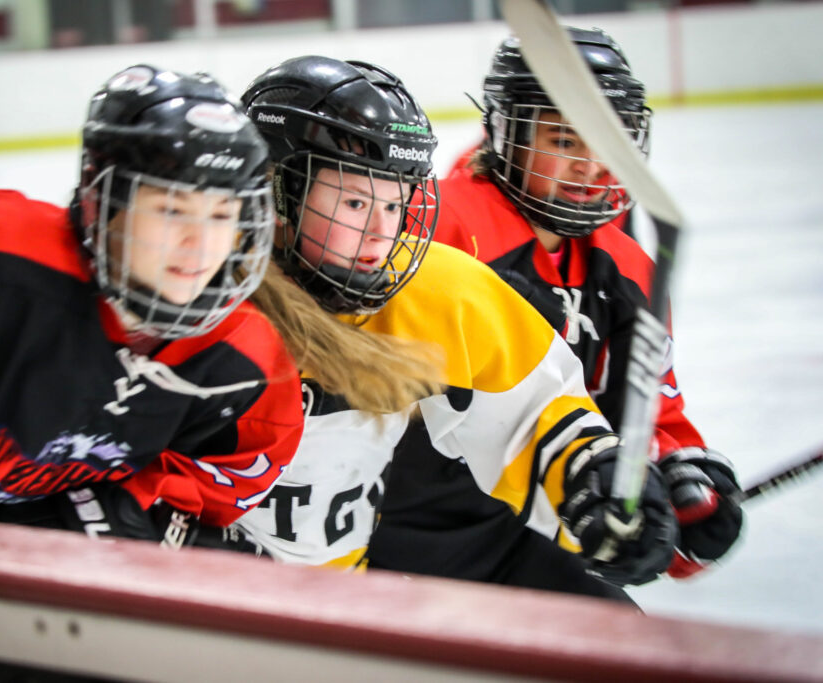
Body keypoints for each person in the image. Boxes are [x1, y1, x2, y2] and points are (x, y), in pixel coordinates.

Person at [0, 64, 439, 538]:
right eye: (170, 210)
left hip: (15, 598)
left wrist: (124, 512)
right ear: (102, 205)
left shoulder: (246, 355)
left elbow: (230, 479)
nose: (198, 246)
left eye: (221, 214)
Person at [227, 55, 678, 592]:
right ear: (276, 191)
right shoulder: (190, 295)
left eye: (396, 207)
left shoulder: (429, 287)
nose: (381, 234)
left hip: (337, 608)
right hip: (181, 605)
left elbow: (536, 412)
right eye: (354, 201)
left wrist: (589, 478)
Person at [375, 28, 742, 583]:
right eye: (565, 141)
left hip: (535, 539)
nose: (591, 164)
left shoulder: (630, 269)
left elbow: (644, 418)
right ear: (507, 133)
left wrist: (678, 497)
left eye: (608, 139)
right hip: (399, 538)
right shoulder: (435, 225)